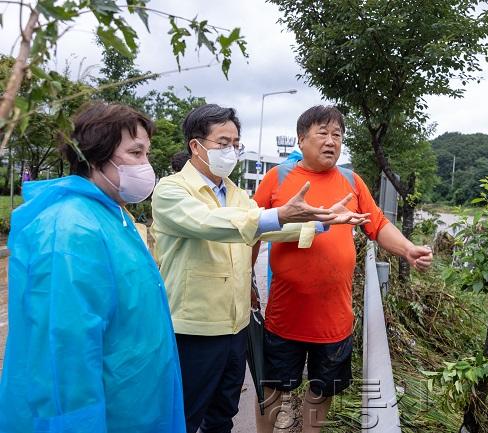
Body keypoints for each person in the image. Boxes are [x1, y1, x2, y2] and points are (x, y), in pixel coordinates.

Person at [150, 104, 368, 433]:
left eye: (235, 143)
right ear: (196, 146)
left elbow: (262, 228)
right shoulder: (171, 189)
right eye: (222, 142)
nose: (231, 150)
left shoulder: (236, 193)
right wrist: (279, 214)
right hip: (194, 328)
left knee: (223, 414)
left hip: (235, 327)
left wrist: (320, 222)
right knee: (185, 414)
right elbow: (211, 223)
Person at [0, 102, 184, 432]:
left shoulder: (109, 215)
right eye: (136, 152)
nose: (146, 165)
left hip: (132, 405)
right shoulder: (71, 230)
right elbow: (64, 356)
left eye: (146, 153)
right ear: (95, 157)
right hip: (108, 415)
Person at [254, 105, 433, 433]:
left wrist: (408, 249)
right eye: (322, 133)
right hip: (285, 315)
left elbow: (377, 224)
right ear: (301, 139)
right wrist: (246, 282)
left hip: (334, 318)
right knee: (273, 389)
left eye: (337, 134)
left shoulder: (351, 181)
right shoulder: (276, 178)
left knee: (323, 391)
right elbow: (250, 228)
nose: (331, 141)